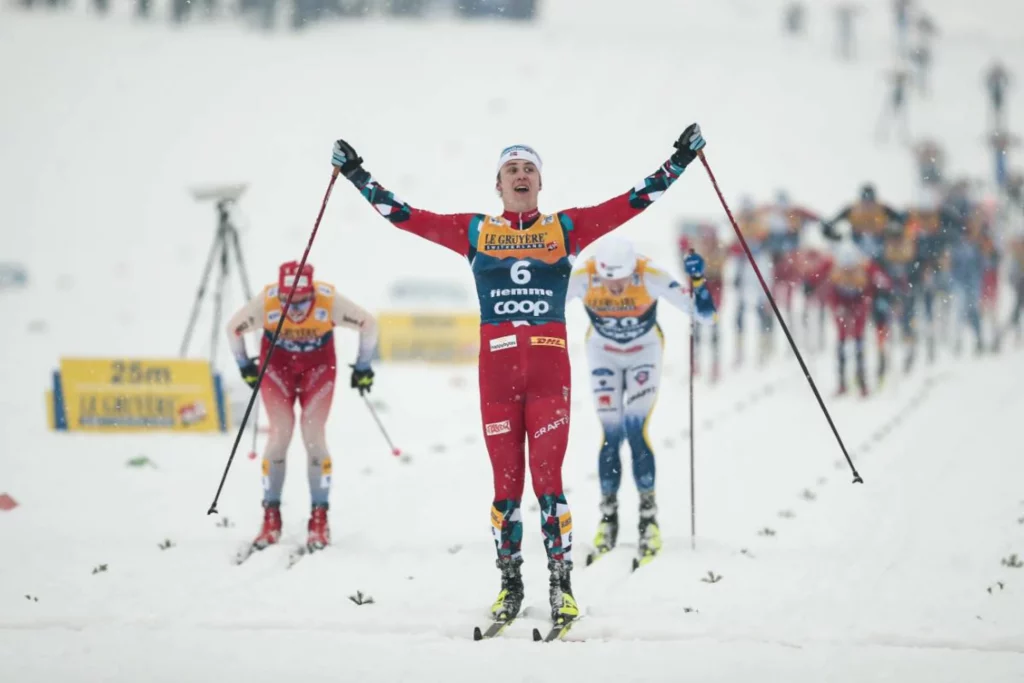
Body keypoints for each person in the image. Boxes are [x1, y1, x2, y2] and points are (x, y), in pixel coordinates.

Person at [329, 123, 707, 628]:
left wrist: (679, 160)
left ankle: (562, 585)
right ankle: (510, 584)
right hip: (498, 380)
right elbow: (405, 217)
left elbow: (634, 201)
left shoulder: (566, 228)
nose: (521, 175)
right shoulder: (475, 231)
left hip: (549, 376)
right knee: (505, 490)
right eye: (512, 169)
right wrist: (356, 174)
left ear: (540, 182)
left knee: (548, 484)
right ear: (498, 184)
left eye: (529, 168)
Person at [565, 235, 715, 569]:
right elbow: (544, 308)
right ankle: (609, 518)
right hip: (602, 351)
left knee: (635, 431)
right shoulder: (584, 276)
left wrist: (700, 282)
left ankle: (649, 520)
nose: (615, 287)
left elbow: (704, 315)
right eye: (608, 280)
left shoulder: (650, 274)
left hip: (644, 353)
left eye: (620, 279)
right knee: (610, 434)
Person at [226, 260, 379, 553]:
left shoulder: (328, 300)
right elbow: (233, 328)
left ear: (311, 292)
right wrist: (245, 365)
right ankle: (271, 517)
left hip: (318, 370)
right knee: (279, 435)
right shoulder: (268, 302)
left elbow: (368, 324)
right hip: (277, 370)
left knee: (313, 437)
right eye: (287, 301)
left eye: (301, 301)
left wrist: (363, 366)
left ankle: (319, 518)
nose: (294, 309)